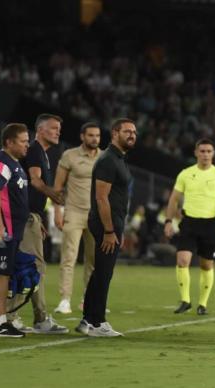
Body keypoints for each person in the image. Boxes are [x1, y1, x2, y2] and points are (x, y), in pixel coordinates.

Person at [76, 118, 136, 337]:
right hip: (106, 222)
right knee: (104, 272)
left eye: (134, 132)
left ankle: (87, 320)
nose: (132, 135)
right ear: (114, 133)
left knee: (100, 271)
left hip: (112, 221)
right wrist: (109, 231)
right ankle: (97, 322)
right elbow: (101, 198)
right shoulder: (109, 160)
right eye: (127, 131)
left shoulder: (118, 159)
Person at [10, 113, 68, 334]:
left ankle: (16, 315)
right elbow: (34, 181)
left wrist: (37, 216)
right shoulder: (34, 150)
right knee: (33, 266)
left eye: (58, 129)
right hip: (26, 218)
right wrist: (53, 195)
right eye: (53, 128)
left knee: (25, 265)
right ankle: (31, 317)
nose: (57, 132)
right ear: (41, 130)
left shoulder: (40, 153)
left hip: (29, 216)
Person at [164, 138, 215, 316]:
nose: (205, 154)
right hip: (189, 222)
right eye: (202, 151)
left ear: (213, 154)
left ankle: (202, 303)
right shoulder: (185, 174)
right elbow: (174, 199)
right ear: (196, 153)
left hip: (210, 223)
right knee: (182, 260)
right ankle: (185, 300)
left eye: (209, 151)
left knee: (206, 265)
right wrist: (168, 221)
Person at [0, 123, 30, 337]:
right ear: (9, 142)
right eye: (23, 141)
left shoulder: (13, 163)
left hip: (11, 229)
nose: (27, 145)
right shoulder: (0, 162)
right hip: (3, 230)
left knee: (1, 273)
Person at [53, 122, 101, 314]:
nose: (95, 139)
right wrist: (58, 211)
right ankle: (65, 300)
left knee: (93, 261)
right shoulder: (69, 155)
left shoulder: (105, 157)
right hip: (73, 212)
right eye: (90, 135)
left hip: (96, 215)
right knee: (69, 258)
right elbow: (58, 186)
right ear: (82, 136)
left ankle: (87, 300)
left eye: (97, 135)